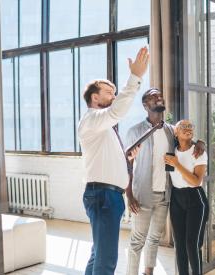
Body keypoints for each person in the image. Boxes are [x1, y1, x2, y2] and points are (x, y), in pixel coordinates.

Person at [78, 46, 149, 275]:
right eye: (109, 93)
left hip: (107, 196)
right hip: (104, 196)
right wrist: (135, 77)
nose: (114, 96)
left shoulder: (102, 127)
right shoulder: (92, 120)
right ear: (95, 97)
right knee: (106, 259)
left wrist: (127, 159)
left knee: (99, 253)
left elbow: (108, 159)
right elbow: (116, 112)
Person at [125, 89, 205, 275]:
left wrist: (201, 142)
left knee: (154, 238)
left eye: (159, 95)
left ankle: (148, 272)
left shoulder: (170, 130)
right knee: (137, 240)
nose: (158, 97)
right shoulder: (135, 131)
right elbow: (126, 166)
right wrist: (129, 195)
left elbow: (188, 141)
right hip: (142, 195)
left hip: (165, 195)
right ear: (146, 105)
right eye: (153, 97)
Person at [164, 120, 209, 275]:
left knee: (192, 244)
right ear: (175, 132)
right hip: (177, 198)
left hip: (195, 199)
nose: (188, 128)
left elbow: (196, 181)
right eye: (183, 126)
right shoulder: (171, 152)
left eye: (190, 126)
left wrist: (177, 164)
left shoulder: (198, 152)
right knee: (180, 245)